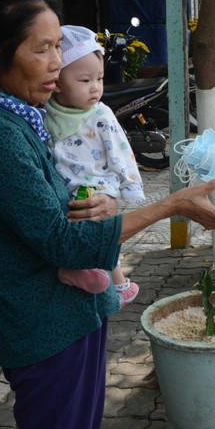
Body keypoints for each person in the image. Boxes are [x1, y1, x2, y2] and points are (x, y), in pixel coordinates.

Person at [0, 0, 215, 429]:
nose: (56, 63)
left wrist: (103, 205)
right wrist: (171, 205)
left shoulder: (23, 115)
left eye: (58, 46)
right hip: (44, 328)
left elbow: (52, 207)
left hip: (70, 316)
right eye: (41, 49)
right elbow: (62, 243)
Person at [44, 25, 142, 306]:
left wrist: (129, 186)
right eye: (85, 80)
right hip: (63, 188)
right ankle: (78, 269)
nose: (96, 87)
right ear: (58, 82)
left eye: (99, 78)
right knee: (72, 228)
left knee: (104, 230)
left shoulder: (101, 113)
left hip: (97, 184)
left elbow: (121, 151)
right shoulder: (45, 110)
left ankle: (117, 281)